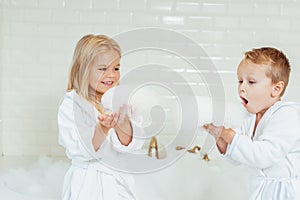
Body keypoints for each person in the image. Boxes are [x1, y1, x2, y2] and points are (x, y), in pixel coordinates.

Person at [203, 47, 300, 200]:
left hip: (283, 192)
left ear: (276, 88)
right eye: (240, 81)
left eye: (251, 82)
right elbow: (240, 157)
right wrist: (220, 137)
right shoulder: (249, 116)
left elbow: (264, 155)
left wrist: (229, 136)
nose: (242, 87)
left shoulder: (287, 115)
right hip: (258, 189)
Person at [58, 34, 143, 200]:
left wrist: (123, 123)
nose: (111, 75)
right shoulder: (72, 105)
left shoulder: (121, 100)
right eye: (103, 69)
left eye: (116, 68)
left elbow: (130, 144)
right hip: (87, 184)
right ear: (83, 69)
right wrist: (102, 129)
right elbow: (81, 148)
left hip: (118, 182)